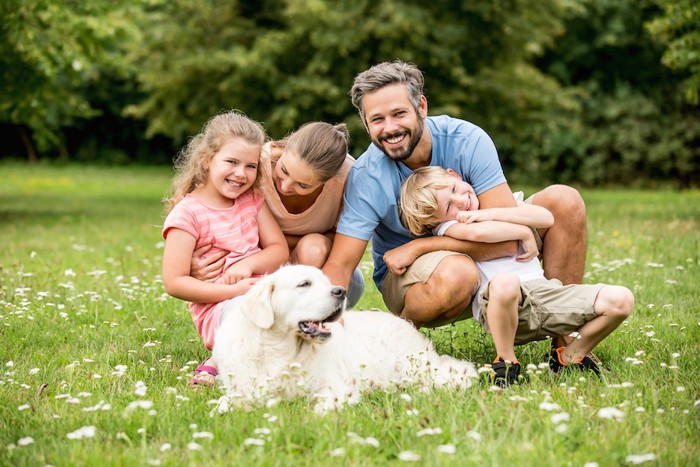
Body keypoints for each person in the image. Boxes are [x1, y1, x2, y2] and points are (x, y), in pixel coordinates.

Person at [322, 60, 588, 346]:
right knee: (458, 271)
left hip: (486, 243)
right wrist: (319, 326)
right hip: (418, 277)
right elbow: (341, 264)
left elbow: (509, 241)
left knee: (565, 201)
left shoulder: (467, 140)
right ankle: (401, 344)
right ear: (365, 123)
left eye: (399, 114)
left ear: (421, 107)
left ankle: (567, 347)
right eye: (377, 120)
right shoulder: (367, 176)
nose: (390, 128)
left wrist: (421, 244)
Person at [399, 166, 634, 386]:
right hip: (503, 303)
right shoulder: (449, 227)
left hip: (545, 294)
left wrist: (491, 212)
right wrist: (522, 230)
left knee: (621, 300)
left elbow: (546, 218)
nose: (461, 201)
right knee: (506, 280)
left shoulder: (496, 205)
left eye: (453, 189)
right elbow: (480, 233)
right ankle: (506, 362)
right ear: (435, 222)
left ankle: (570, 357)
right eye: (449, 206)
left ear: (455, 175)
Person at [161, 110, 289, 388]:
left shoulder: (251, 200)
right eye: (231, 162)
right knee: (246, 311)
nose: (241, 174)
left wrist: (248, 265)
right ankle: (219, 360)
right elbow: (174, 282)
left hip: (260, 292)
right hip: (222, 308)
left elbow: (279, 250)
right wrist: (234, 291)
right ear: (207, 160)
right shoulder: (188, 215)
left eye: (251, 166)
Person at [190, 122, 365, 306]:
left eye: (303, 185)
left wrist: (279, 245)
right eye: (284, 170)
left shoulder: (348, 177)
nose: (285, 186)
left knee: (312, 247)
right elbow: (206, 206)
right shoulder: (254, 163)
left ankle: (307, 313)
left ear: (329, 180)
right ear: (283, 149)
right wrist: (192, 260)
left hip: (332, 280)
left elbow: (347, 244)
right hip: (262, 270)